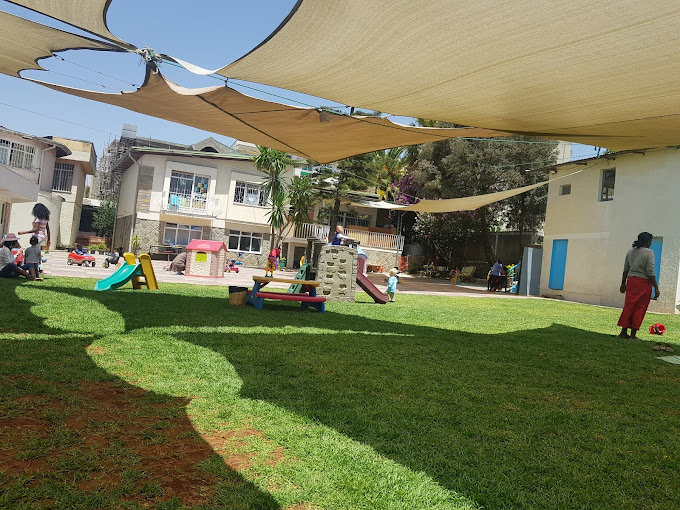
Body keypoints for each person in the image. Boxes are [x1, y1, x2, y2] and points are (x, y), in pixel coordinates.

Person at [617, 232, 659, 339]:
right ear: (648, 242)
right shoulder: (649, 252)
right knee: (640, 307)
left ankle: (623, 332)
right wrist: (656, 287)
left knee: (629, 306)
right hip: (643, 283)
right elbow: (650, 271)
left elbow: (625, 269)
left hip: (631, 281)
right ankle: (633, 334)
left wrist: (623, 283)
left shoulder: (630, 251)